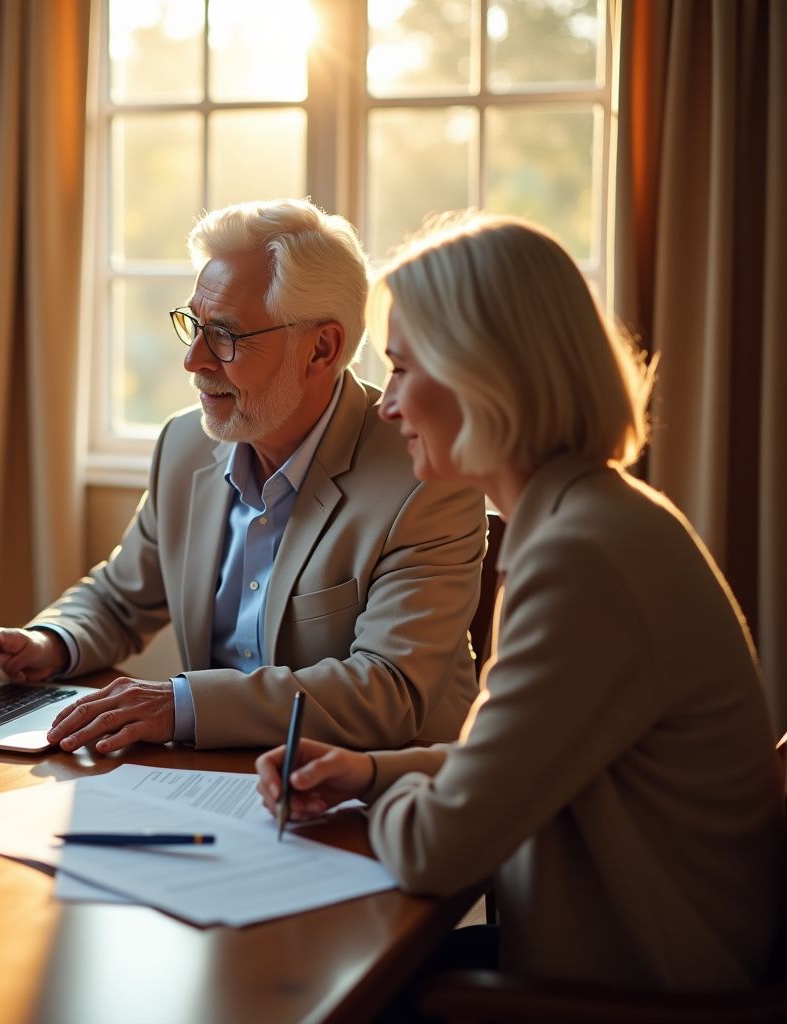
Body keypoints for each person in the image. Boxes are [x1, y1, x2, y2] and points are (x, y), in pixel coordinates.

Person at [256, 213, 784, 991]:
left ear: (485, 373)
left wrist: (374, 807)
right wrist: (368, 772)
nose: (387, 404)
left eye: (403, 370)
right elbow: (507, 763)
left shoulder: (582, 557)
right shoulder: (594, 517)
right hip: (652, 951)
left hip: (652, 989)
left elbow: (440, 847)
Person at [0, 197, 487, 753]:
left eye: (225, 335)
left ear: (322, 348)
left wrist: (179, 704)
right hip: (217, 780)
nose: (194, 359)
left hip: (377, 798)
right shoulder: (184, 444)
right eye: (193, 325)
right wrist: (49, 641)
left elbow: (386, 690)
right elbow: (122, 599)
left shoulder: (425, 476)